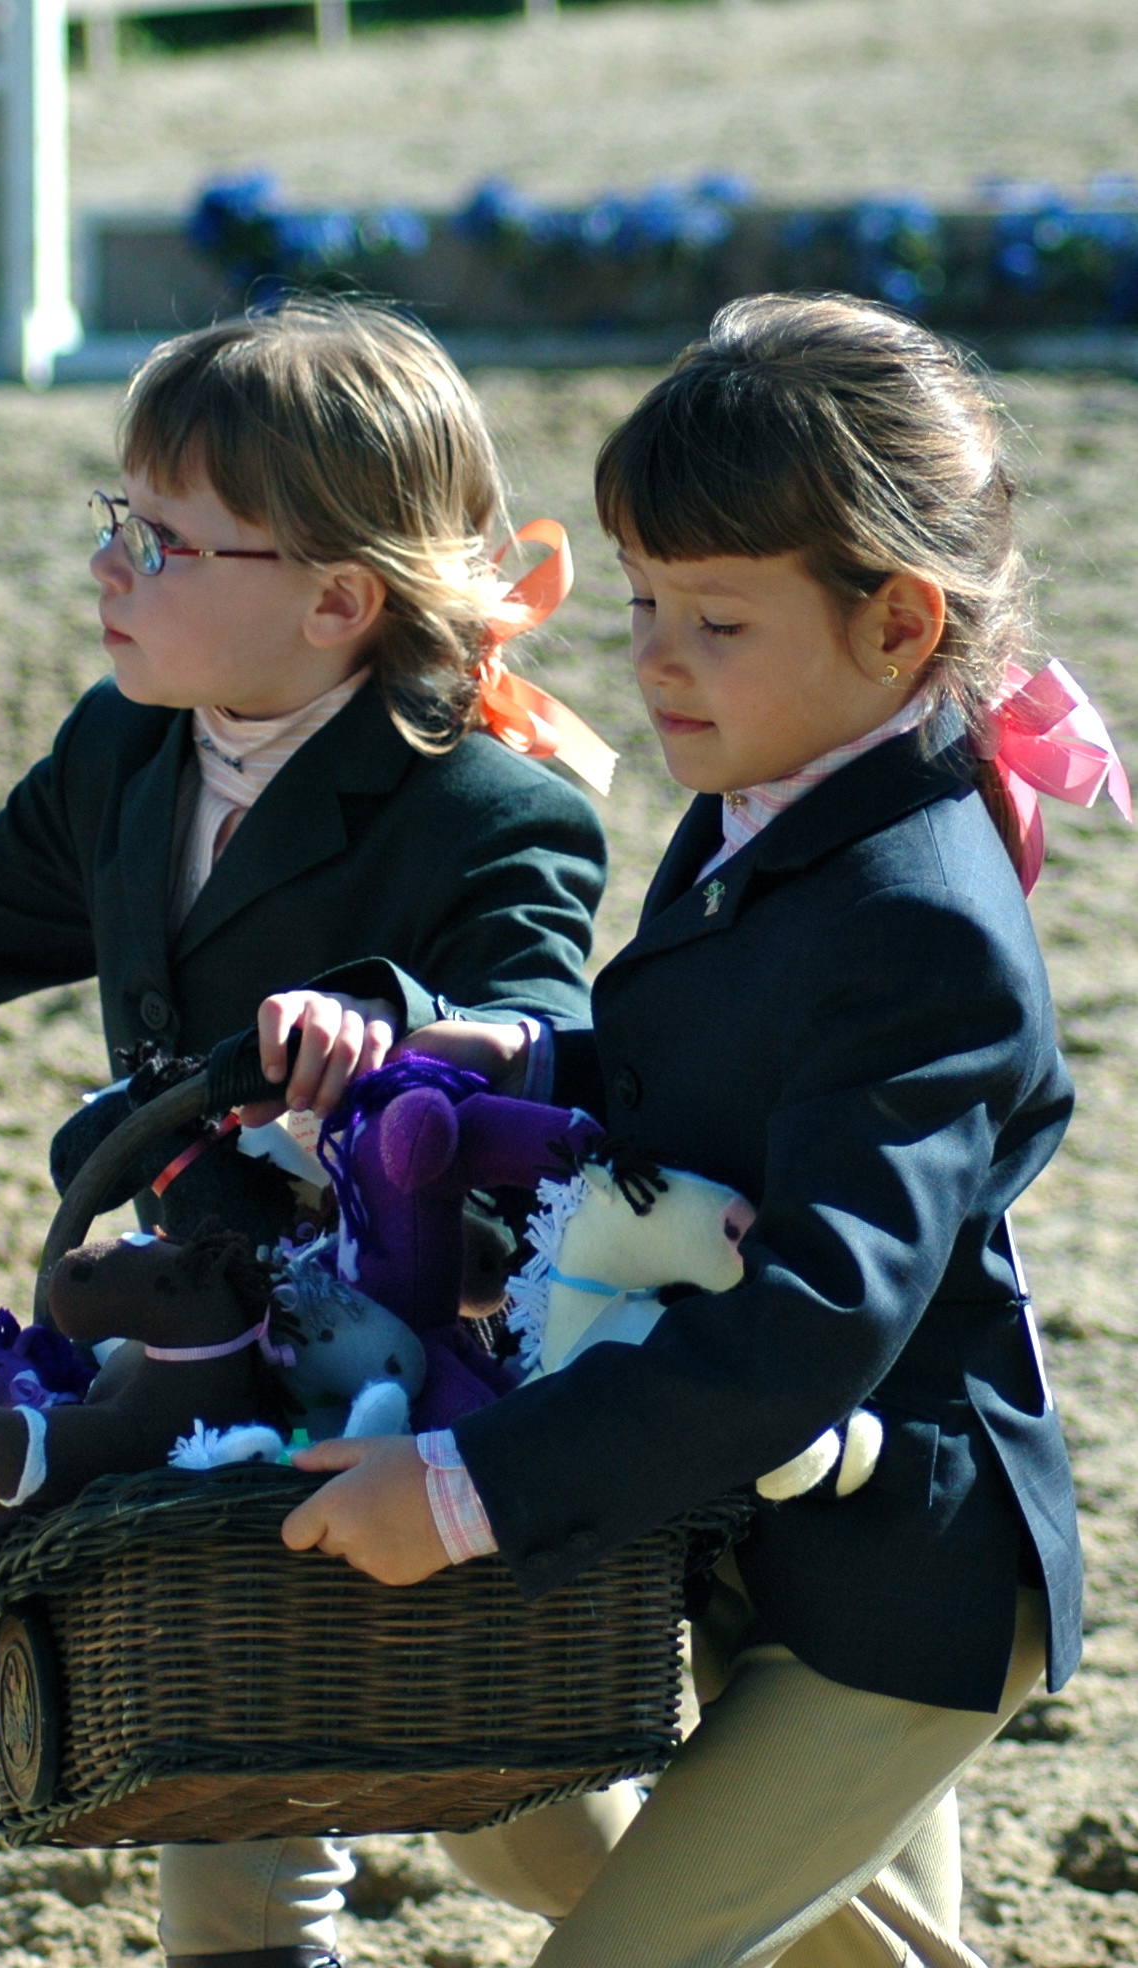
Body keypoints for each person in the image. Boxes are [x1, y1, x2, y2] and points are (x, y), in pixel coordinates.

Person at [0, 296, 610, 1968]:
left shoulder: (494, 806)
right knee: (225, 1783)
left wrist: (391, 1021)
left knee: (540, 1828)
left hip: (406, 1361)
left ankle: (804, 1916)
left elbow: (536, 1020)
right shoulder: (125, 751)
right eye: (114, 519)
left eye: (164, 539)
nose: (110, 566)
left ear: (336, 601)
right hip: (182, 1337)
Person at [276, 294, 1116, 1968]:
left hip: (902, 1581)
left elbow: (814, 1316)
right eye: (648, 601)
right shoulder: (777, 799)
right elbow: (702, 1085)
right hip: (766, 1540)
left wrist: (461, 1490)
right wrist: (514, 1054)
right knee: (614, 1871)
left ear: (897, 625)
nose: (651, 657)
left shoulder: (919, 919)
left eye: (715, 621)